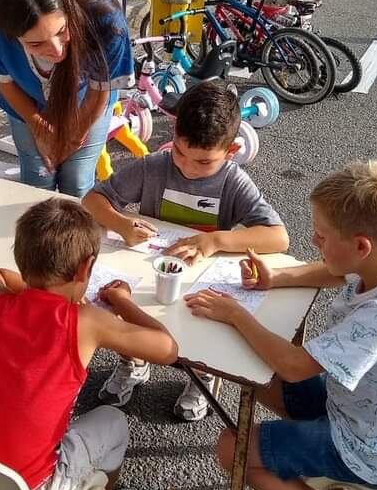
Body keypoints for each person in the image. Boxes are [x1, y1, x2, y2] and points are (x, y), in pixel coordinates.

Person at [185, 160, 377, 490]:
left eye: (322, 236)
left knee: (231, 449)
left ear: (361, 246)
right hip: (368, 414)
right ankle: (304, 457)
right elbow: (336, 270)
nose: (313, 240)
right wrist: (275, 278)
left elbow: (293, 367)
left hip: (373, 452)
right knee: (248, 368)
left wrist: (236, 314)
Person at [0, 198, 178, 490]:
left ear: (21, 256)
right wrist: (121, 301)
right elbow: (168, 349)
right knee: (113, 421)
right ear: (86, 268)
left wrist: (38, 290)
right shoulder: (85, 321)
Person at [82, 80, 288, 420]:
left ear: (231, 152)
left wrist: (214, 241)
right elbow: (93, 201)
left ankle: (202, 373)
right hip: (148, 271)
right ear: (174, 133)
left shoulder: (233, 181)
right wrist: (120, 224)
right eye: (179, 152)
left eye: (204, 162)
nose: (189, 168)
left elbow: (278, 237)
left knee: (206, 318)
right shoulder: (153, 166)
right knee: (116, 301)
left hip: (200, 278)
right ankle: (134, 360)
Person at [0, 0, 134, 198]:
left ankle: (77, 234)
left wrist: (74, 138)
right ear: (11, 35)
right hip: (26, 102)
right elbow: (5, 81)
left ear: (68, 9)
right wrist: (39, 127)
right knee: (37, 177)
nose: (57, 51)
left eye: (62, 31)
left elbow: (101, 89)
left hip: (88, 103)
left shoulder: (105, 17)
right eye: (36, 44)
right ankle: (36, 234)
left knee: (77, 181)